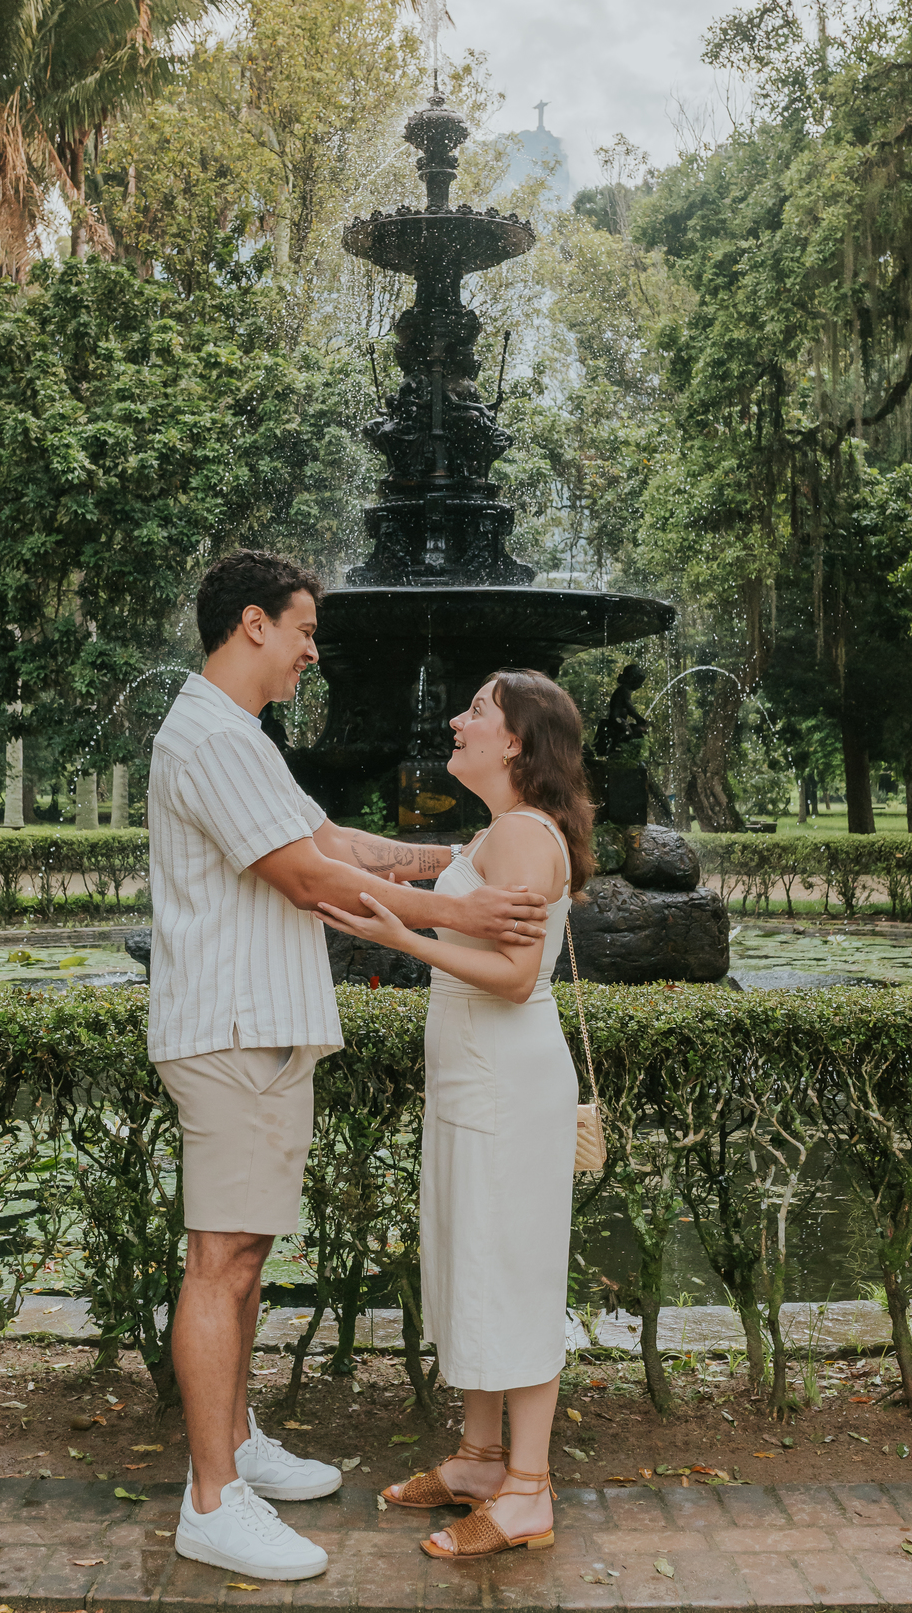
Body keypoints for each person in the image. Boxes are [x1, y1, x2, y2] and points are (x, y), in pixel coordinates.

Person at [150, 551, 553, 1582]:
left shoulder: (239, 737)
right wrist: (459, 907)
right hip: (231, 1028)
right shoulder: (207, 736)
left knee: (241, 1264)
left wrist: (444, 859)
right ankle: (212, 1500)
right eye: (302, 632)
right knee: (221, 1261)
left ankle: (237, 1446)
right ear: (251, 624)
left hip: (264, 1027)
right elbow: (304, 875)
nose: (311, 652)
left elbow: (324, 834)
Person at [317, 669, 593, 1562]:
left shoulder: (521, 834)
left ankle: (527, 1491)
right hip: (477, 1080)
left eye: (477, 710)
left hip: (507, 1084)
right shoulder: (496, 831)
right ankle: (478, 1462)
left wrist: (400, 940)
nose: (457, 719)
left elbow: (517, 979)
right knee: (473, 1262)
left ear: (515, 742)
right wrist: (337, 854)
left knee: (514, 1275)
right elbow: (399, 865)